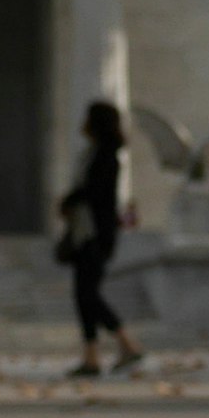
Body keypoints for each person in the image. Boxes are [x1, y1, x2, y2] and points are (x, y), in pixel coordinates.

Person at [57, 100, 145, 377]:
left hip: (96, 234)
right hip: (89, 232)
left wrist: (69, 200)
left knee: (88, 293)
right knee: (84, 294)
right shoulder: (95, 153)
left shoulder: (106, 156)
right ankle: (92, 356)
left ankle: (126, 343)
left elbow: (96, 193)